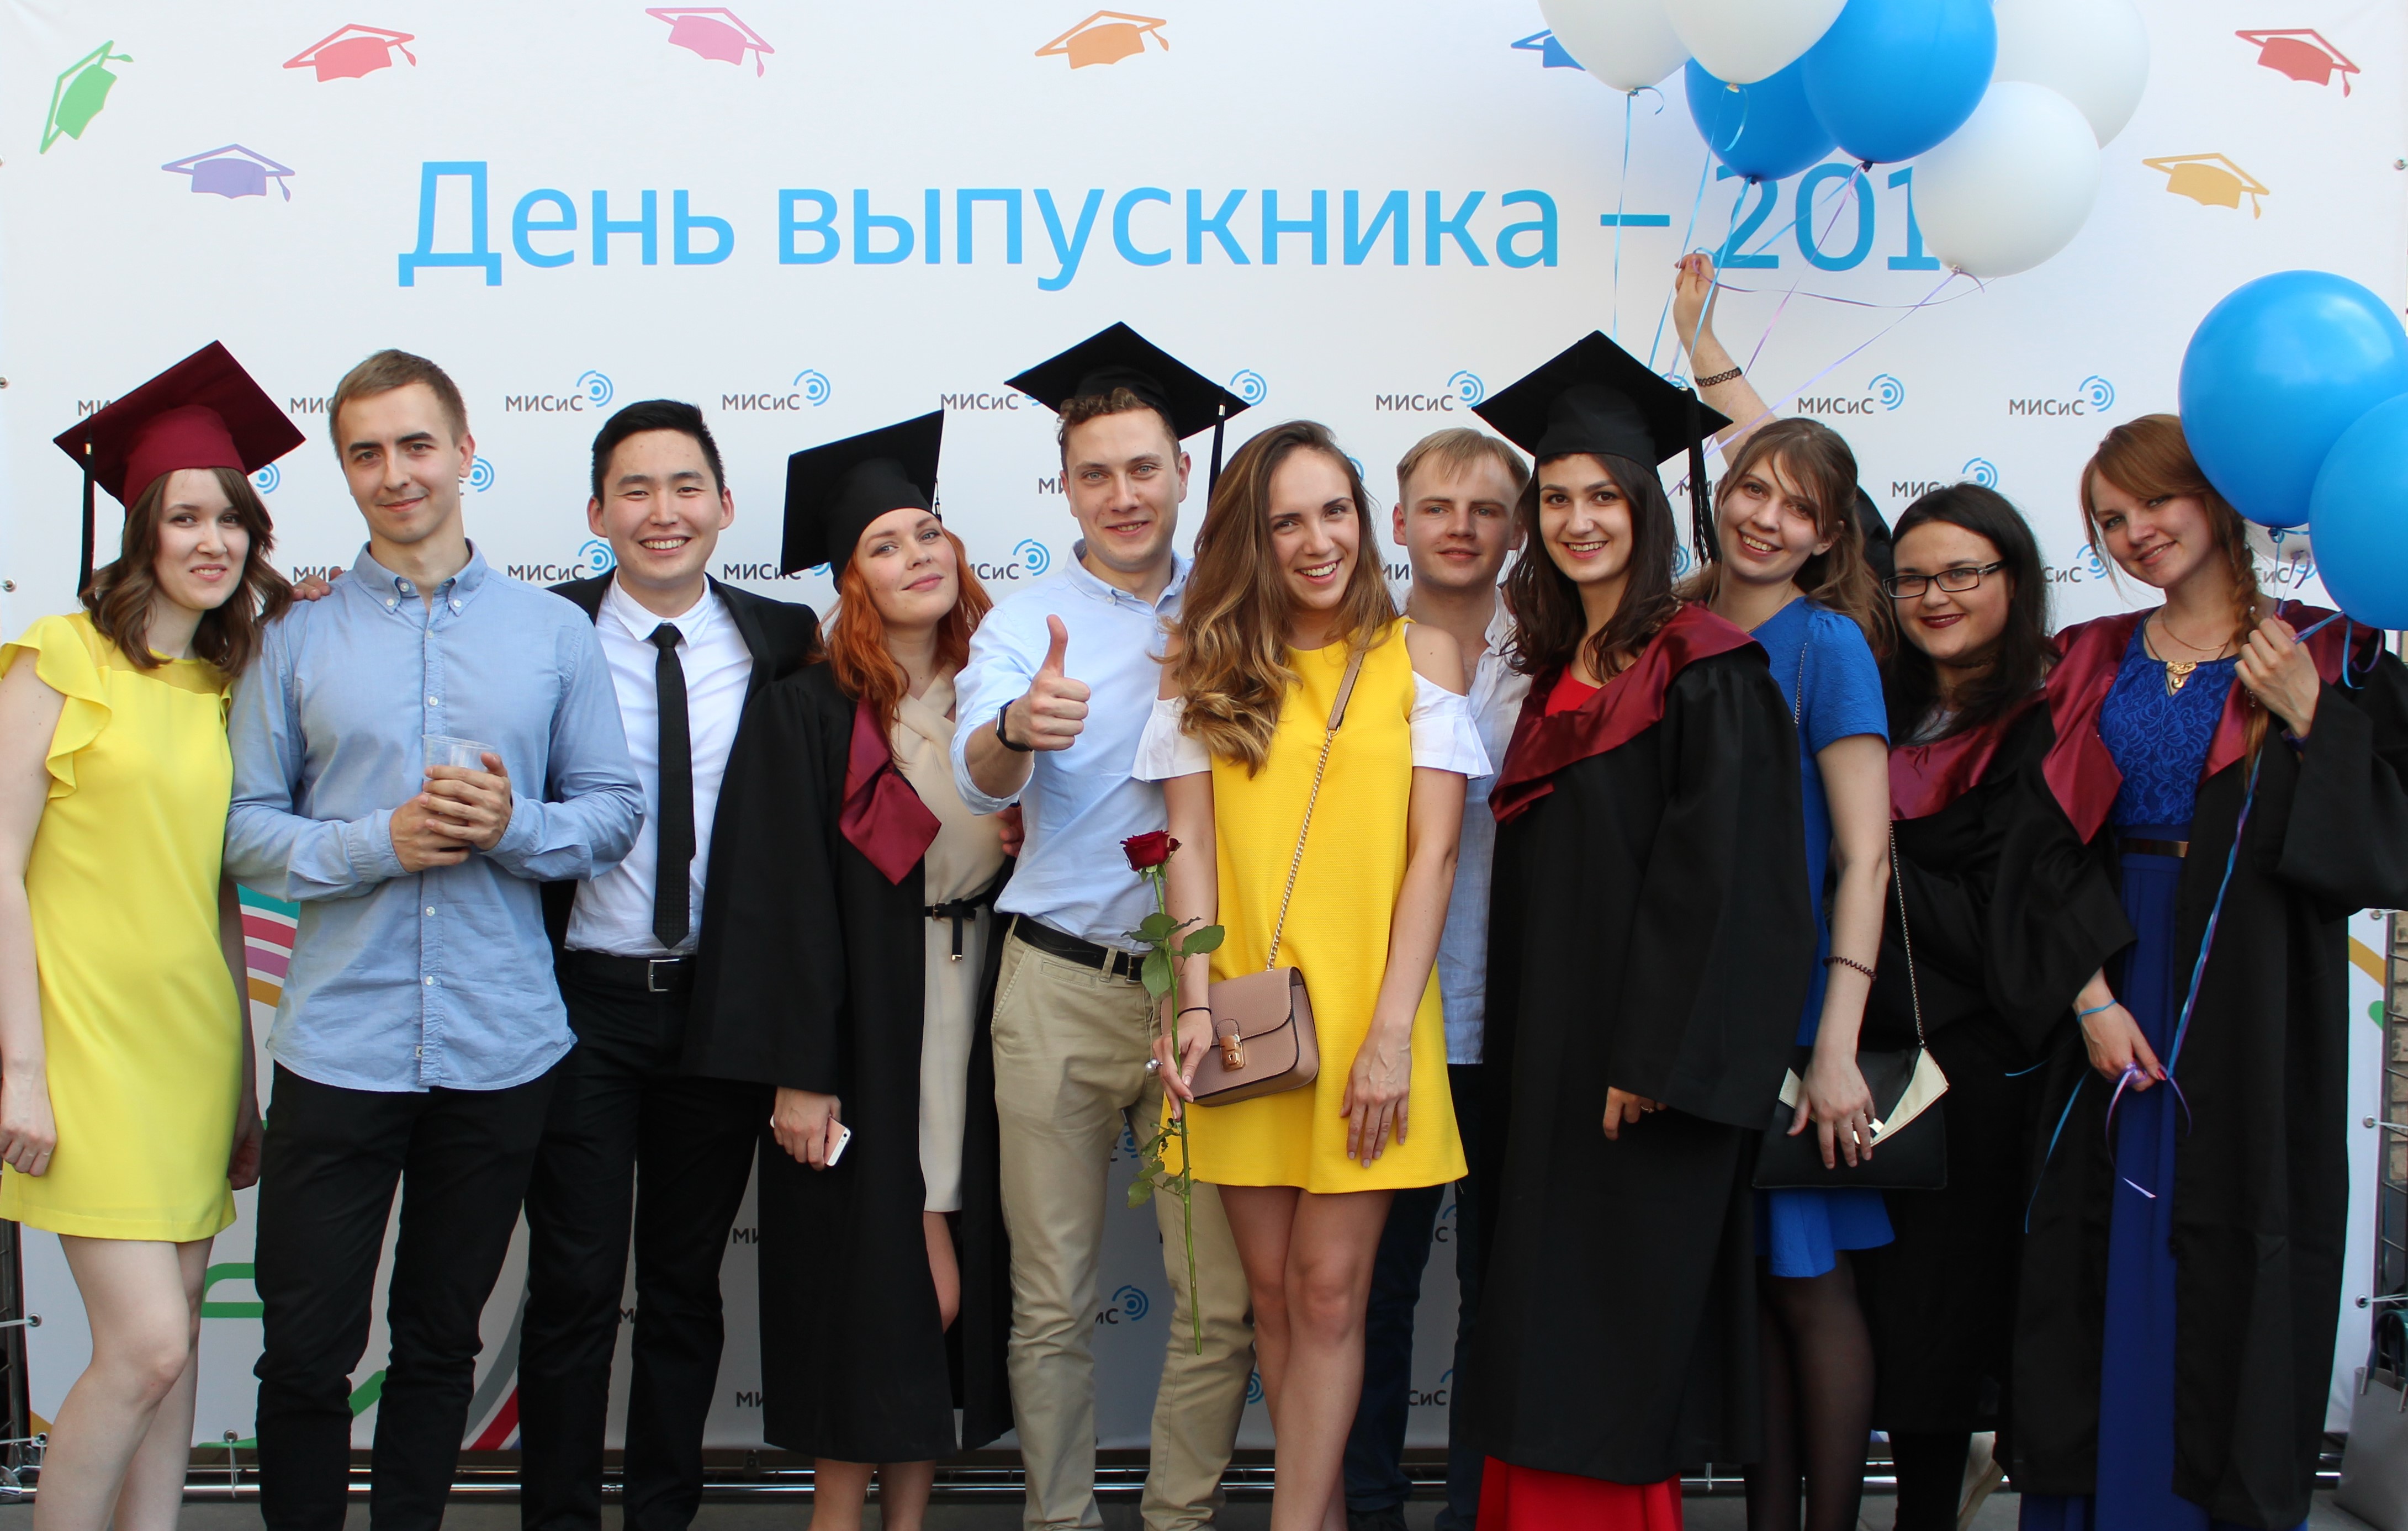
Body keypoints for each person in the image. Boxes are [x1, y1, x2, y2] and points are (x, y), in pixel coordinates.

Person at [224, 349, 643, 1531]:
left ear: (465, 452)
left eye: (416, 445)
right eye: (366, 452)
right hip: (339, 1047)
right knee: (306, 1348)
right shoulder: (291, 638)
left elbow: (614, 811)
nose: (395, 473)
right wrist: (379, 843)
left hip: (500, 1048)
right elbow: (243, 829)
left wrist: (515, 827)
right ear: (344, 470)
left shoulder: (551, 634)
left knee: (440, 1341)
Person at [2014, 415, 2408, 1531]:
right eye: (2109, 519)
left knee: (2241, 1230)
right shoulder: (2087, 658)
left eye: (2156, 501)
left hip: (2256, 991)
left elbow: (2389, 840)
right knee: (2097, 1234)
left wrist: (2313, 719)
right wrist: (2090, 998)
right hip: (2110, 967)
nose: (2135, 531)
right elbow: (2039, 846)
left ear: (2218, 496)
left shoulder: (2332, 651)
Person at [1461, 332, 1814, 1528]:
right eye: (1556, 498)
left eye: (1602, 496)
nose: (1578, 520)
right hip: (1547, 1054)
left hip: (1638, 1069)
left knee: (1606, 1325)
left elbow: (1729, 885)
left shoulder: (1704, 667)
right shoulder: (1551, 669)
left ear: (1646, 508)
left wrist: (1655, 1056)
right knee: (1539, 1309)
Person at [1140, 419, 1481, 1531]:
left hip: (1374, 1016)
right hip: (1245, 1020)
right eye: (1286, 520)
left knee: (1332, 1292)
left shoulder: (1421, 654)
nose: (1317, 539)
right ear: (1252, 536)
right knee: (1277, 1301)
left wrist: (1389, 1034)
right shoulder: (1200, 661)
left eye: (1335, 510)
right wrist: (1193, 1006)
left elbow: (1434, 854)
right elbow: (1188, 846)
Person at [951, 324, 1258, 1531]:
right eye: (1095, 474)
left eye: (1143, 468)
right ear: (1065, 487)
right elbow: (979, 771)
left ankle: (1179, 1518)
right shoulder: (1026, 625)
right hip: (1061, 992)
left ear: (1182, 472)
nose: (1122, 494)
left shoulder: (1242, 605)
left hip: (1205, 996)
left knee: (1219, 1299)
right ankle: (1060, 1521)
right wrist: (1018, 729)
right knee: (1049, 1300)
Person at [686, 411, 1010, 1530]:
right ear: (849, 581)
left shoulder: (997, 695)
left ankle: (907, 1519)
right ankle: (836, 1517)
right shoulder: (811, 709)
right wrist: (799, 1070)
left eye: (929, 532)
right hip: (866, 1029)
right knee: (875, 1291)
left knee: (945, 1294)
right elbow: (774, 899)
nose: (919, 555)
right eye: (885, 544)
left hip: (980, 1018)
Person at [0, 346, 297, 1531]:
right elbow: (0, 866)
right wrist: (21, 1068)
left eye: (230, 519)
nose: (211, 541)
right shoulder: (57, 658)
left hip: (190, 1051)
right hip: (81, 1048)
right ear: (141, 532)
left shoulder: (228, 691)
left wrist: (242, 1085)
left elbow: (218, 896)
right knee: (149, 1345)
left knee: (172, 1362)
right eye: (184, 517)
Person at [515, 399, 821, 1531]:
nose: (663, 511)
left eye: (686, 486)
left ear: (725, 505)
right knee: (575, 1285)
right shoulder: (538, 628)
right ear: (597, 512)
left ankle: (662, 1515)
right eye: (635, 490)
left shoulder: (782, 637)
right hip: (580, 1006)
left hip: (719, 1013)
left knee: (685, 1287)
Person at [1850, 486, 2131, 1531]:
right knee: (1863, 1303)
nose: (1936, 595)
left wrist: (1870, 856)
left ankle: (1930, 1510)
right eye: (1914, 577)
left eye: (1964, 572)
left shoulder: (2048, 722)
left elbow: (2022, 901)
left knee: (1942, 1308)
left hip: (1974, 1063)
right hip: (1858, 1045)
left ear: (2013, 578)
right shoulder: (1875, 701)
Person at [1678, 414, 1894, 1531]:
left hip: (1800, 1009)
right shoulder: (1674, 624)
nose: (1766, 519)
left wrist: (1836, 1045)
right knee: (1752, 1284)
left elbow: (1866, 856)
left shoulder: (1828, 647)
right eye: (1753, 490)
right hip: (1695, 1009)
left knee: (1810, 1282)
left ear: (1827, 536)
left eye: (1798, 507)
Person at [1341, 428, 1530, 1531]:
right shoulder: (1353, 657)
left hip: (1520, 1019)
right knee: (1374, 1289)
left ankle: (1478, 1513)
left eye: (1487, 508)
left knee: (1500, 1293)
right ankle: (1367, 1507)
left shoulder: (1563, 658)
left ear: (1518, 528)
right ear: (1399, 522)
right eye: (1438, 506)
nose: (1461, 527)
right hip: (1388, 1022)